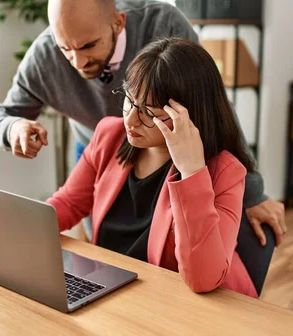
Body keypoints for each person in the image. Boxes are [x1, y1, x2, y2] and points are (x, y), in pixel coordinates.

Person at [0, 0, 287, 246]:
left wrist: (253, 193)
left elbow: (214, 108)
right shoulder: (44, 56)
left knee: (161, 250)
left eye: (88, 46)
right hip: (97, 150)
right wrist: (15, 129)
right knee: (107, 245)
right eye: (65, 49)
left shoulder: (163, 24)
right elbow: (3, 117)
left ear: (119, 22)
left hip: (166, 155)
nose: (77, 63)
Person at [47, 37, 257, 296]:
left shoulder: (224, 172)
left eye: (150, 113)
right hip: (110, 290)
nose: (131, 120)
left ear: (190, 115)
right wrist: (20, 225)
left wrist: (191, 172)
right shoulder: (109, 135)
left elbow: (203, 279)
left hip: (183, 308)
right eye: (130, 101)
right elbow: (69, 203)